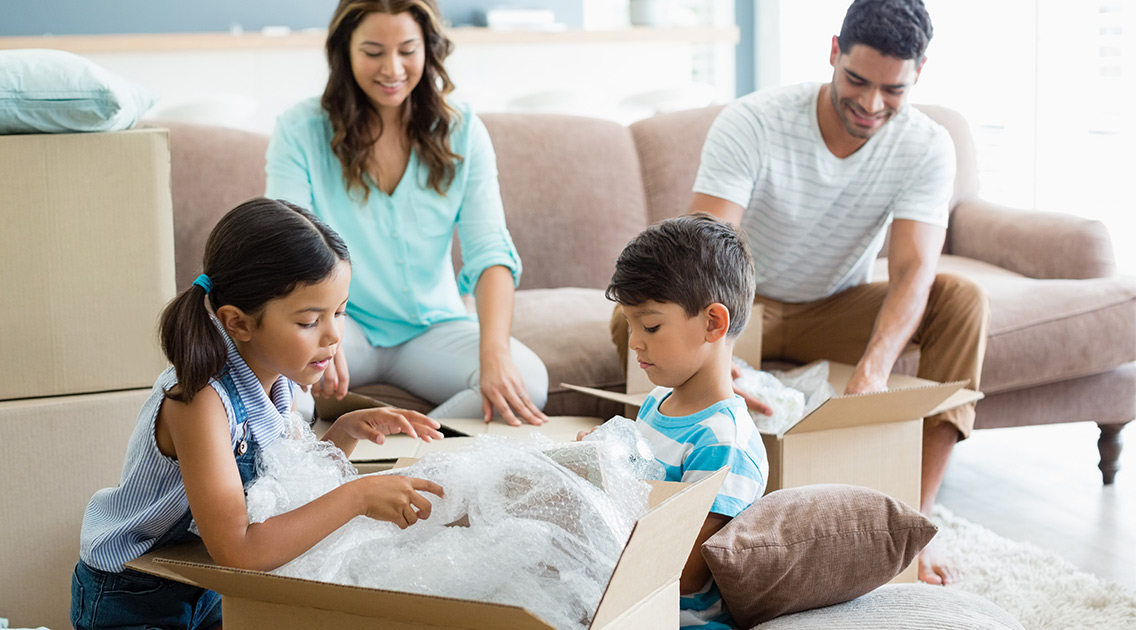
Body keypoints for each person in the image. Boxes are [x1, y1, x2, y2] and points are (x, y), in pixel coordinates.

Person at [611, 0, 989, 585]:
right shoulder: (755, 120)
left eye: (892, 90)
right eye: (857, 80)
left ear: (919, 74)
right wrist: (720, 355)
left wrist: (873, 373)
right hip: (741, 308)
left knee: (962, 300)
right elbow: (701, 247)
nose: (869, 104)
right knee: (641, 315)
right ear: (834, 51)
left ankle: (918, 516)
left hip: (835, 304)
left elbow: (914, 268)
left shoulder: (928, 145)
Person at [70, 198, 445, 630]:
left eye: (340, 312)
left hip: (204, 577)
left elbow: (291, 481)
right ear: (240, 323)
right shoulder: (199, 400)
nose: (334, 335)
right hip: (135, 591)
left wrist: (344, 430)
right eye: (310, 321)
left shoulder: (279, 379)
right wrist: (358, 497)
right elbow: (240, 548)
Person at [265, 0, 548, 426]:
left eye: (408, 50)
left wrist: (495, 354)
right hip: (345, 323)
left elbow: (489, 252)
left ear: (429, 49)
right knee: (279, 392)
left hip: (432, 328)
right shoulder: (299, 129)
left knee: (527, 382)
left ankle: (409, 459)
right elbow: (290, 243)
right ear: (345, 51)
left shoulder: (463, 130)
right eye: (373, 52)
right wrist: (324, 327)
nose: (392, 69)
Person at [594, 213, 768, 630]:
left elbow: (686, 573)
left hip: (676, 617)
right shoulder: (656, 403)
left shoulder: (723, 442)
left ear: (713, 323)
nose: (634, 341)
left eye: (650, 326)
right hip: (619, 588)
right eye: (630, 324)